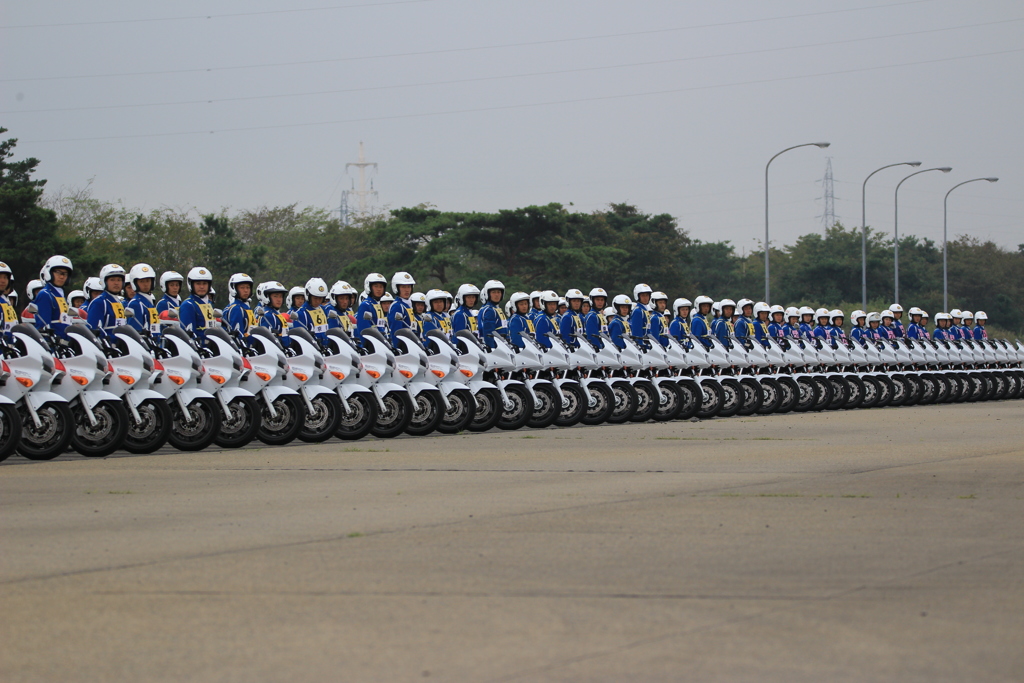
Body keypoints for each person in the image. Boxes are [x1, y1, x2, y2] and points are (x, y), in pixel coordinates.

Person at [34, 255, 75, 341]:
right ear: (50, 272)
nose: (62, 276)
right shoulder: (45, 294)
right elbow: (43, 326)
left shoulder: (60, 295)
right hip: (53, 346)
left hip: (64, 346)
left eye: (65, 274)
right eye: (58, 272)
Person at [86, 263, 129, 337]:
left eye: (119, 280)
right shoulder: (99, 302)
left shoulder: (119, 302)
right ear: (104, 282)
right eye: (112, 280)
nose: (116, 283)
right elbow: (92, 330)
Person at [178, 267, 216, 342]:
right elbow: (188, 334)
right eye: (198, 283)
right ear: (191, 284)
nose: (202, 287)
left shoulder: (209, 303)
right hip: (199, 349)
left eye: (205, 283)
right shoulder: (188, 305)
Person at [126, 263, 161, 340]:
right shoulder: (135, 303)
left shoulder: (149, 302)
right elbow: (134, 332)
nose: (146, 284)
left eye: (148, 281)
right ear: (135, 283)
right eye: (142, 281)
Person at [294, 278, 331, 345]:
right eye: (315, 298)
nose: (318, 301)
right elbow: (301, 338)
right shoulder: (302, 313)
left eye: (320, 298)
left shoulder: (324, 310)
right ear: (308, 295)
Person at [222, 273, 257, 340]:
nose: (246, 290)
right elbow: (237, 333)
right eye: (242, 287)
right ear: (234, 288)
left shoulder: (246, 307)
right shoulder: (236, 308)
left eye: (248, 287)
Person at [355, 273, 389, 342]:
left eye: (381, 287)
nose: (379, 289)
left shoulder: (377, 305)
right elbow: (364, 331)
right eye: (376, 286)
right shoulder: (366, 305)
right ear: (369, 287)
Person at [477, 279, 508, 349]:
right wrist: (492, 348)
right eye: (493, 292)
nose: (497, 295)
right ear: (488, 294)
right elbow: (489, 333)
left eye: (499, 292)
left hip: (502, 345)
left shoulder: (497, 308)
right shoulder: (489, 310)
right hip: (495, 347)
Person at [387, 271, 417, 342]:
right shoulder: (397, 306)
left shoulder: (409, 305)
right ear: (396, 288)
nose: (407, 290)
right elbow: (396, 331)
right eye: (403, 287)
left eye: (409, 287)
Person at [628, 283, 654, 348]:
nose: (645, 298)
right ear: (638, 296)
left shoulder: (645, 310)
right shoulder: (638, 311)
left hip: (647, 343)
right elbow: (636, 332)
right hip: (642, 345)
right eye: (643, 295)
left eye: (647, 295)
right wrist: (640, 345)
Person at [0, 261, 18, 338]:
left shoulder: (5, 301)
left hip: (9, 347)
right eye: (0, 277)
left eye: (5, 277)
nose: (3, 281)